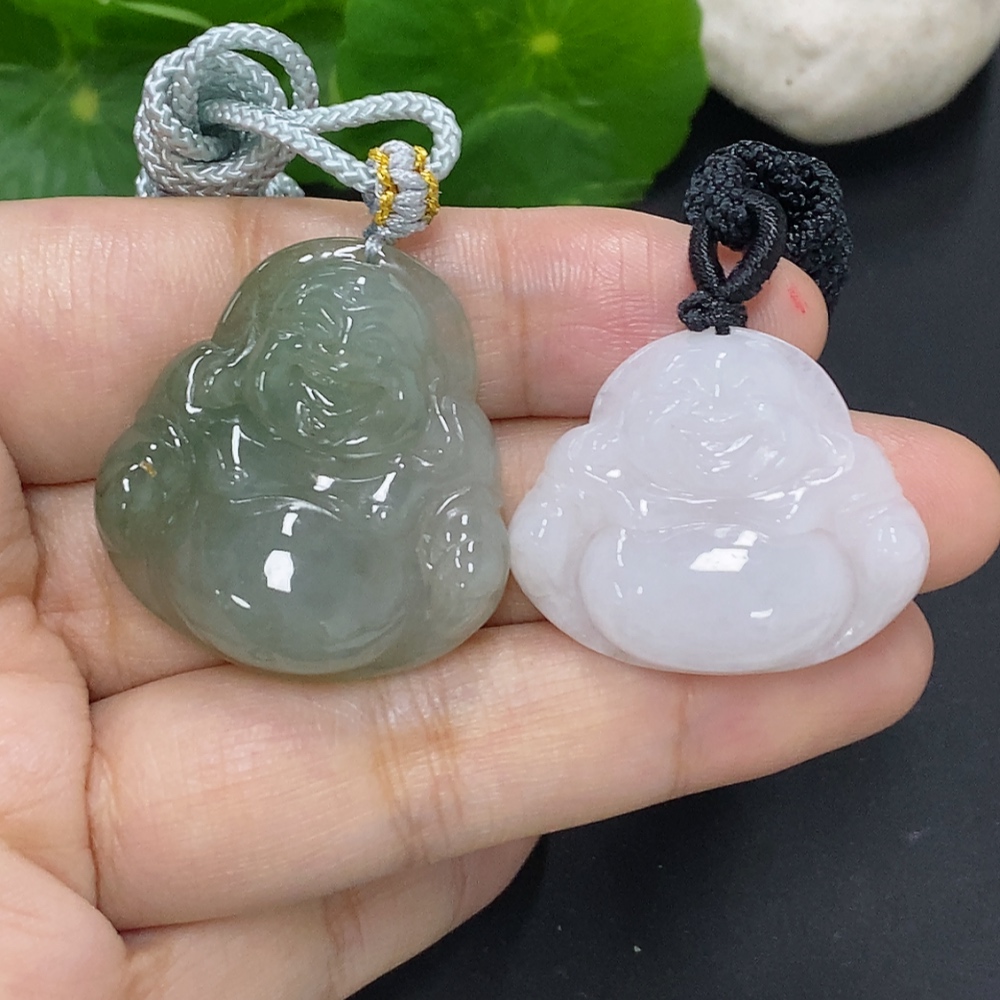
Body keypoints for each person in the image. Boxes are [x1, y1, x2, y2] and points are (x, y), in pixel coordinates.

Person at [0, 195, 997, 1000]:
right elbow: (149, 470)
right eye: (305, 349)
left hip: (741, 587)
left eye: (372, 360)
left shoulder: (438, 456)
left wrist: (465, 553)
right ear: (250, 354)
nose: (337, 374)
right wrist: (149, 485)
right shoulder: (217, 415)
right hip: (218, 564)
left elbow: (480, 540)